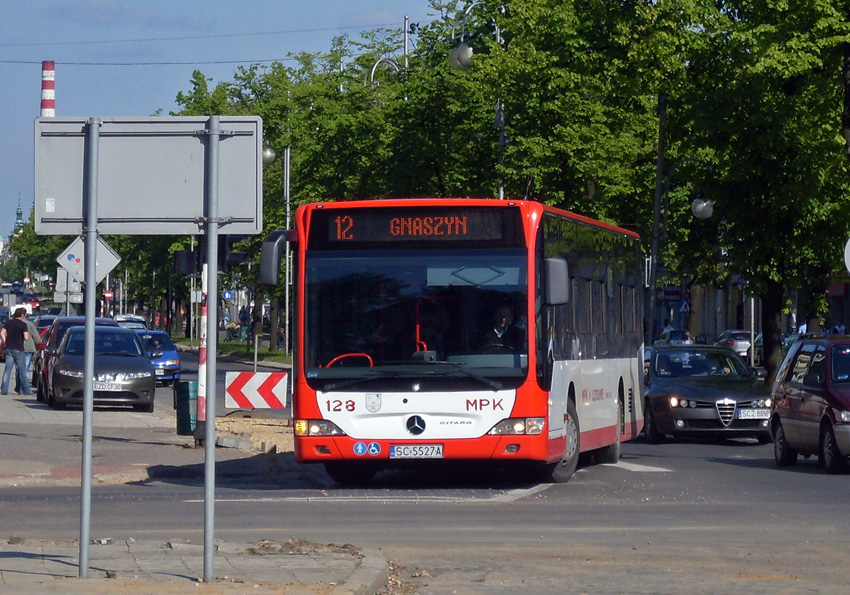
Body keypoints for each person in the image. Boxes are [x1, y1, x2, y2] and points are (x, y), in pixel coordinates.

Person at [1, 307, 32, 395]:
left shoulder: (9, 322)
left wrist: (5, 340)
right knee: (22, 370)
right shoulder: (23, 325)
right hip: (19, 349)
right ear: (23, 315)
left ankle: (4, 390)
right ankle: (26, 390)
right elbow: (26, 337)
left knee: (7, 370)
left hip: (9, 348)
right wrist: (27, 335)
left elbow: (2, 333)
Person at [14, 314, 39, 395]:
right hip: (28, 348)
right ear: (24, 315)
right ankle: (24, 389)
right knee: (25, 369)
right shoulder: (30, 324)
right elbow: (36, 337)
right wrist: (40, 344)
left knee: (19, 368)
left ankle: (19, 387)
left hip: (16, 348)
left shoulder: (12, 323)